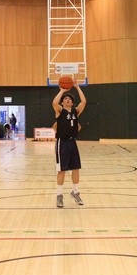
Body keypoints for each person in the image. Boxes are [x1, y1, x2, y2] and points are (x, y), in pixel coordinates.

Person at [53, 77, 86, 208]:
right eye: (65, 99)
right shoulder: (59, 111)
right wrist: (62, 90)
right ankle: (59, 196)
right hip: (62, 142)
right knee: (62, 170)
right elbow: (54, 102)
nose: (67, 100)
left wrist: (77, 87)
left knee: (76, 168)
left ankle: (75, 192)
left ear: (72, 103)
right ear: (63, 102)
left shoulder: (75, 111)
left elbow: (84, 101)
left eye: (70, 99)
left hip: (73, 142)